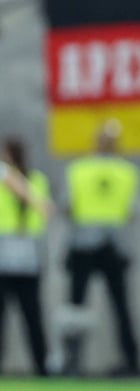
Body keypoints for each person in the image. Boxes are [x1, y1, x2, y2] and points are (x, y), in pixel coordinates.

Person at [62, 119, 140, 377]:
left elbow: (68, 206)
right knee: (119, 306)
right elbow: (132, 211)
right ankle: (131, 360)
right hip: (114, 244)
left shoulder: (79, 169)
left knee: (76, 305)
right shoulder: (127, 172)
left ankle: (71, 360)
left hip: (84, 242)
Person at [0, 140, 53, 376]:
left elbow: (44, 209)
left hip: (27, 253)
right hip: (3, 250)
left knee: (32, 314)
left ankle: (42, 366)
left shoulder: (35, 180)